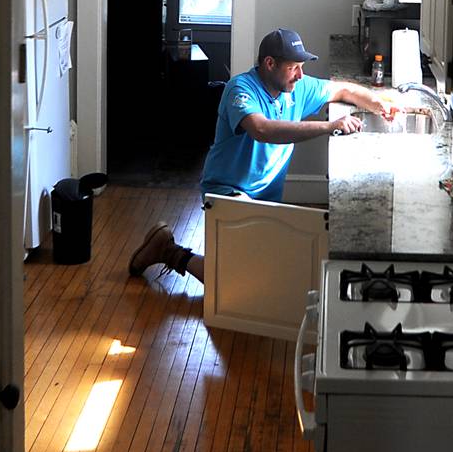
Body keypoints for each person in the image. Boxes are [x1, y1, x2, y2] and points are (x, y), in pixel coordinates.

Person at [128, 26, 400, 281]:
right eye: (294, 68)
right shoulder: (240, 89)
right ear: (269, 64)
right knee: (236, 278)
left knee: (261, 272)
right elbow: (262, 129)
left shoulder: (297, 87)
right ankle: (168, 251)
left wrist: (380, 104)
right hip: (227, 191)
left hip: (266, 198)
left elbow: (344, 89)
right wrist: (329, 126)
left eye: (302, 67)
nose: (300, 75)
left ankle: (165, 248)